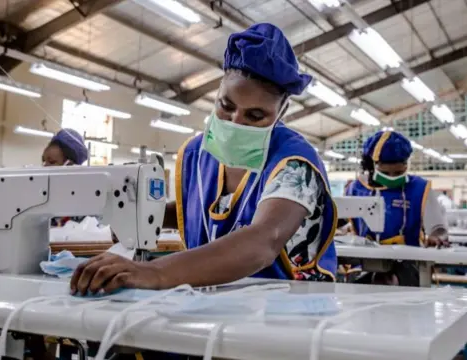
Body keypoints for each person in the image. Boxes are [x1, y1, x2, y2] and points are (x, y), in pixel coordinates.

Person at [70, 23, 337, 296]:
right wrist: (140, 216)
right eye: (226, 106)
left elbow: (263, 240)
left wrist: (154, 271)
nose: (236, 123)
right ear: (217, 93)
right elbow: (194, 209)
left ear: (281, 111)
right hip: (216, 300)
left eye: (255, 116)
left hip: (292, 310)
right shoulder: (196, 153)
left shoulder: (295, 162)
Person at [344, 130, 448, 286]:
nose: (392, 177)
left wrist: (436, 236)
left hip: (409, 265)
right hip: (363, 263)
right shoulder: (356, 188)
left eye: (399, 172)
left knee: (388, 283)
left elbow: (438, 228)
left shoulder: (420, 189)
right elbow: (341, 219)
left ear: (407, 164)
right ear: (372, 165)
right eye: (386, 172)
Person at [42, 128, 89, 227]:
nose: (45, 166)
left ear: (70, 165)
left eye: (52, 162)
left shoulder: (85, 201)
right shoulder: (44, 193)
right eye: (44, 161)